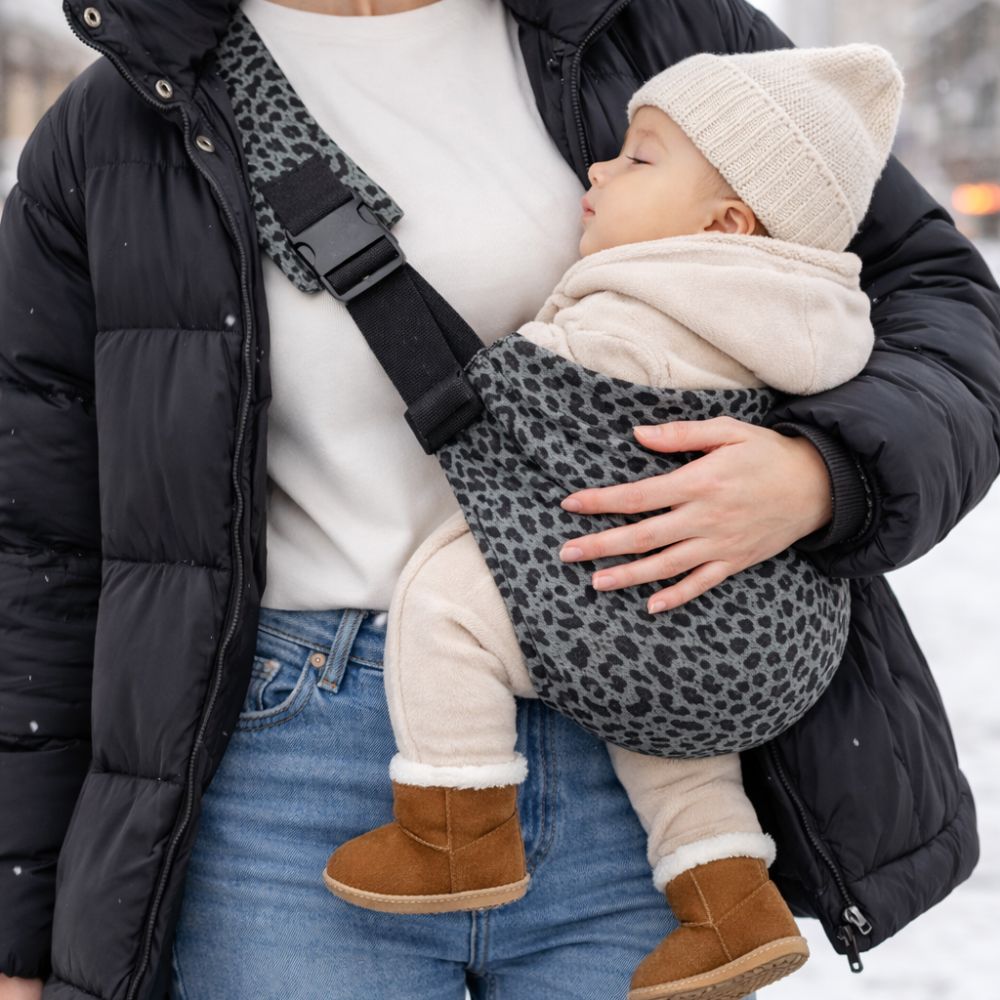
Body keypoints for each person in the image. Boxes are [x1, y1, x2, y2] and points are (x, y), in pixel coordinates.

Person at [0, 0, 995, 998]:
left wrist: (822, 474)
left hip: (645, 747)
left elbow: (948, 305)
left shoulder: (660, 34)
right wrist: (17, 926)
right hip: (287, 780)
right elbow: (36, 544)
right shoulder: (119, 119)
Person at [322, 43, 901, 1000]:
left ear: (725, 221)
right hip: (756, 631)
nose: (600, 167)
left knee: (447, 604)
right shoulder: (817, 316)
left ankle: (455, 829)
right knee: (674, 744)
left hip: (614, 570)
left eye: (640, 157)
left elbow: (532, 398)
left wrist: (503, 370)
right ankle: (728, 903)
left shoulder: (644, 298)